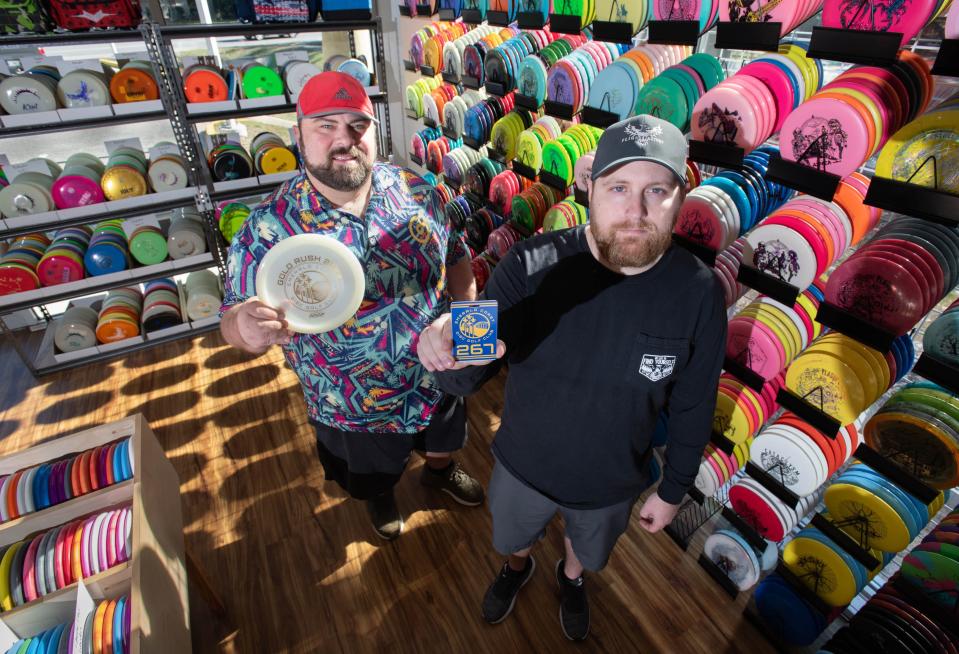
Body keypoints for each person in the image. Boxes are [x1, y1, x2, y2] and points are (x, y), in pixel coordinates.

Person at [417, 115, 726, 641]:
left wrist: (674, 489)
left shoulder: (698, 293)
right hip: (523, 465)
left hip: (610, 483)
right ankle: (519, 569)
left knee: (585, 553)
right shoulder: (532, 261)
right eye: (619, 188)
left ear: (681, 197)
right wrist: (444, 344)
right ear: (590, 188)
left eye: (657, 190)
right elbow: (466, 373)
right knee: (513, 538)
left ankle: (571, 579)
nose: (635, 211)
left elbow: (696, 404)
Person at [220, 71, 484, 541]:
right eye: (325, 125)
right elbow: (233, 324)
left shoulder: (418, 190)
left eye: (357, 124)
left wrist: (469, 334)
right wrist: (245, 328)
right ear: (298, 134)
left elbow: (459, 259)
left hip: (437, 373)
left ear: (373, 128)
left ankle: (439, 472)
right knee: (370, 475)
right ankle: (381, 494)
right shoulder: (267, 226)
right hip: (351, 402)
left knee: (444, 440)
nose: (344, 139)